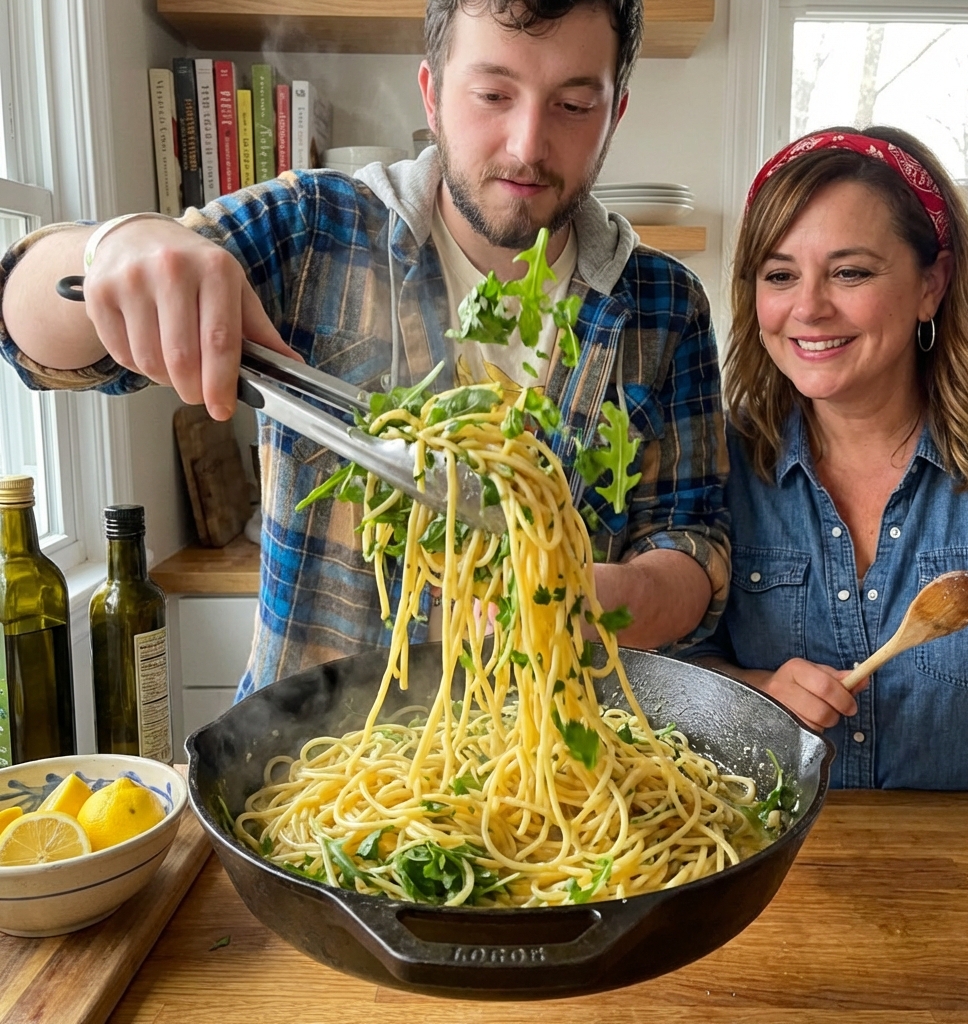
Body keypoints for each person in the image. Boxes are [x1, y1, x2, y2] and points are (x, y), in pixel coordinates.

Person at [0, 0, 729, 699]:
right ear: (432, 95)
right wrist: (114, 245)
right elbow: (31, 335)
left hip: (560, 788)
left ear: (614, 116)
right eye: (492, 94)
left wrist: (605, 598)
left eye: (574, 106)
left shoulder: (665, 308)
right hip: (314, 770)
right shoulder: (312, 230)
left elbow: (695, 547)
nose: (527, 146)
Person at [691, 124, 968, 789]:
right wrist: (751, 692)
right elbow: (675, 666)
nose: (809, 307)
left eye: (850, 272)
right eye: (780, 275)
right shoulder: (718, 465)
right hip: (783, 880)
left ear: (932, 284)